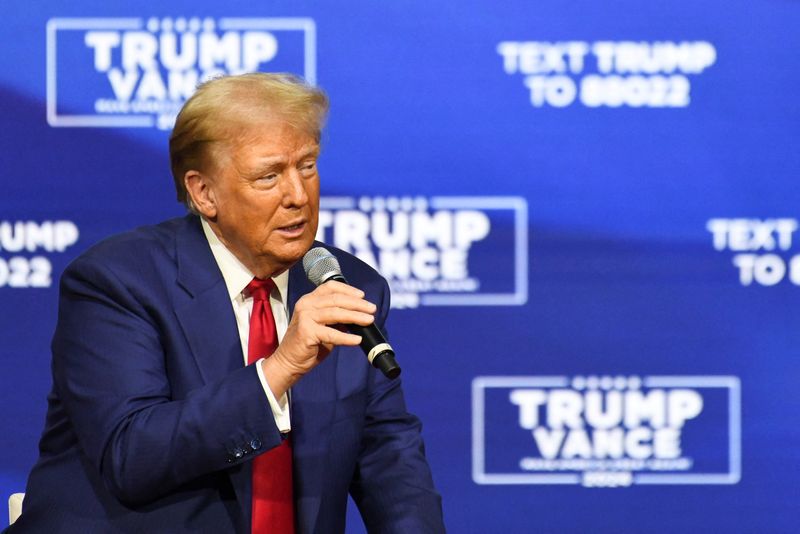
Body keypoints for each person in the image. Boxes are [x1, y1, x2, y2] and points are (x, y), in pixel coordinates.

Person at [10, 73, 444, 533]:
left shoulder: (348, 284)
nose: (297, 195)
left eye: (308, 166)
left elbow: (387, 454)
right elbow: (131, 455)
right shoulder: (117, 282)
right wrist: (278, 369)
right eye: (269, 175)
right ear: (204, 193)